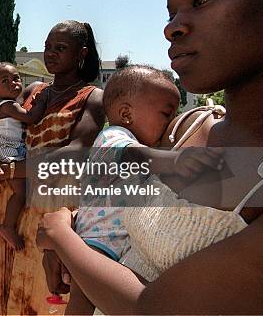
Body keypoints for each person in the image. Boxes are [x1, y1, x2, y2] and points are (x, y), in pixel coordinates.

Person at [36, 0, 263, 314]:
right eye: (171, 13)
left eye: (200, 0)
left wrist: (61, 238)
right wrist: (74, 224)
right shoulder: (185, 127)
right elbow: (115, 196)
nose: (173, 28)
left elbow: (154, 307)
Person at [68, 65, 223, 315]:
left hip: (117, 241)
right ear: (127, 114)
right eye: (166, 113)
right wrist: (172, 161)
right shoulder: (114, 137)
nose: (171, 122)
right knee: (82, 301)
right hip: (97, 240)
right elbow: (131, 155)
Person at [0, 20, 105, 314]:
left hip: (52, 211)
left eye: (60, 48)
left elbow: (77, 152)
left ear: (81, 53)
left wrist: (13, 170)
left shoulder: (92, 97)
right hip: (10, 204)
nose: (50, 53)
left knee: (40, 299)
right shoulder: (33, 89)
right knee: (6, 287)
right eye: (48, 47)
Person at [0, 62, 48, 250]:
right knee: (21, 190)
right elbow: (30, 117)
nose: (13, 83)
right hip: (7, 150)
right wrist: (41, 101)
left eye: (16, 78)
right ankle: (7, 225)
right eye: (5, 80)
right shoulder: (8, 106)